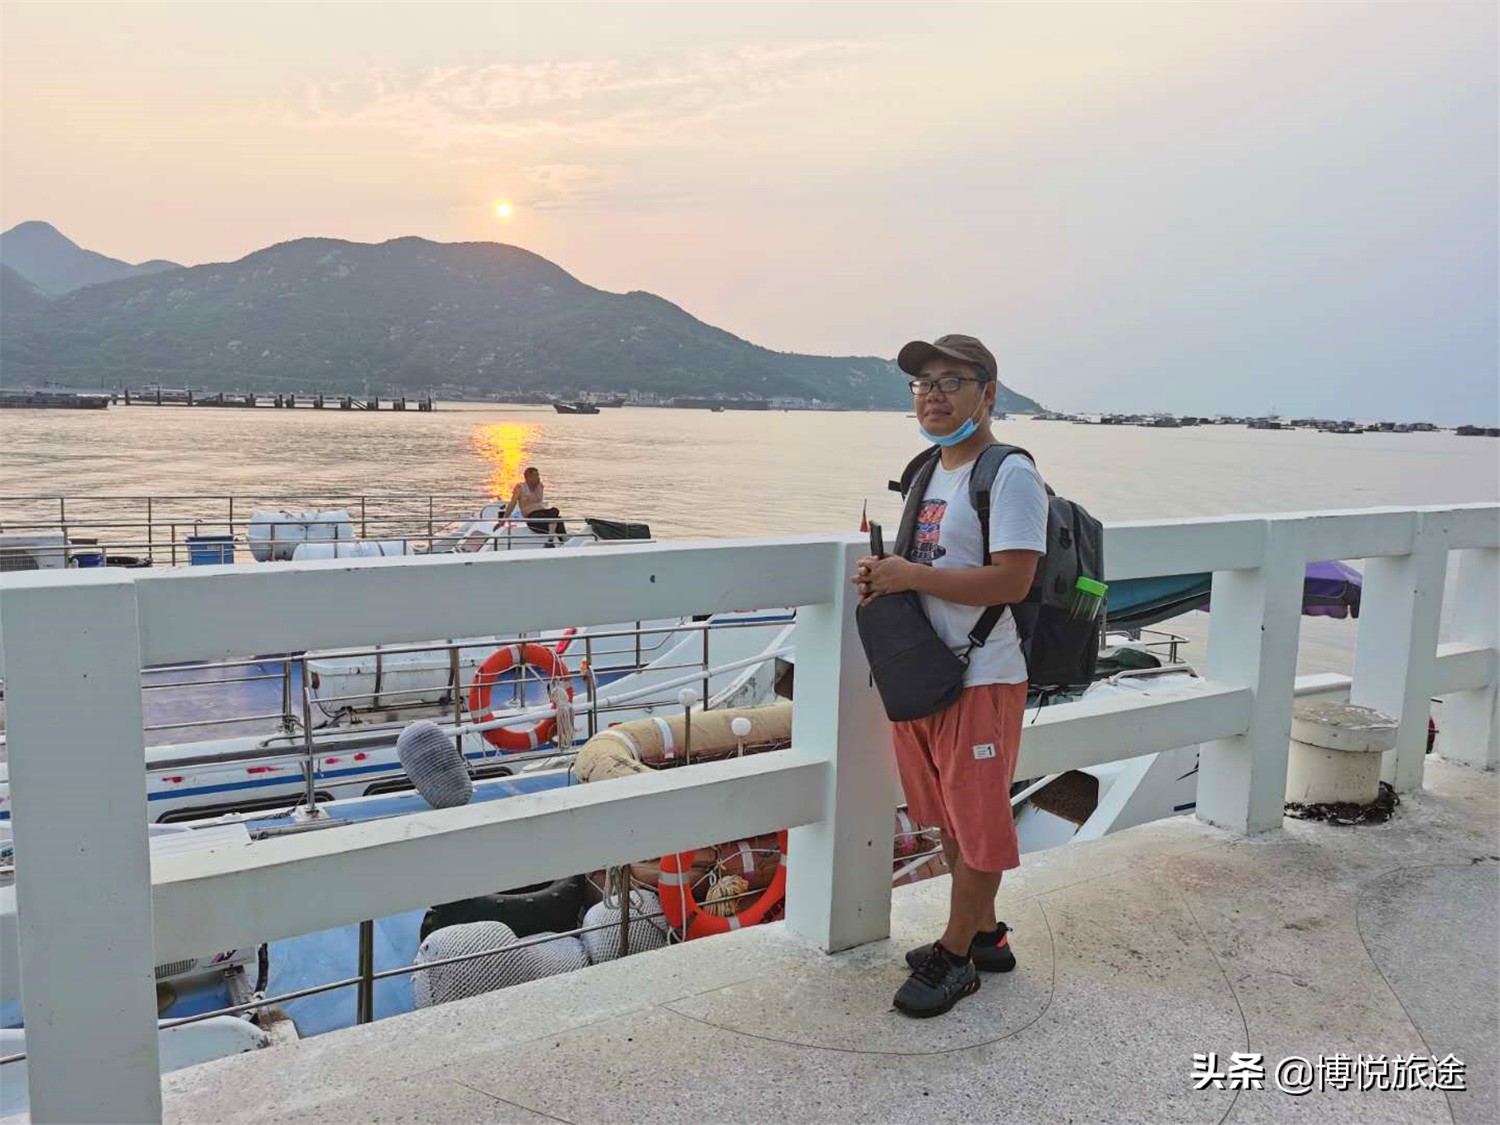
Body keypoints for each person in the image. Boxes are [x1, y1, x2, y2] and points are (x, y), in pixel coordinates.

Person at [853, 334, 1048, 1018]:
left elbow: (1014, 581)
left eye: (951, 381)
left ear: (987, 394)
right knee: (951, 819)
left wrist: (912, 575)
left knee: (979, 822)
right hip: (928, 672)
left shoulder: (1009, 474)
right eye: (923, 383)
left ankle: (956, 955)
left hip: (983, 673)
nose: (932, 395)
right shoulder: (927, 472)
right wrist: (888, 576)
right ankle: (986, 936)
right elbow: (925, 566)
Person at [505, 466, 565, 545]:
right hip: (532, 516)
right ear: (528, 477)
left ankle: (563, 542)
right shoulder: (520, 488)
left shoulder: (540, 486)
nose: (538, 478)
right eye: (536, 476)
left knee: (555, 511)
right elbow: (512, 504)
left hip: (543, 513)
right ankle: (552, 539)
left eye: (538, 475)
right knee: (553, 519)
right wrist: (504, 519)